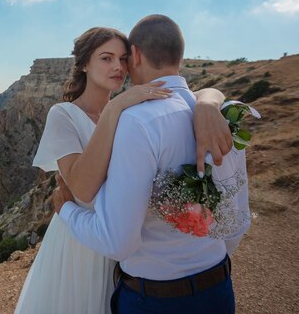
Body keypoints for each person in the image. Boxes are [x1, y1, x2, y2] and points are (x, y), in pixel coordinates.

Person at [14, 26, 232, 314]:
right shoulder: (63, 115)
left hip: (126, 245)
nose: (117, 66)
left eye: (123, 58)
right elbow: (82, 188)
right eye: (106, 58)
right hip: (83, 241)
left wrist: (207, 102)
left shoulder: (133, 111)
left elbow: (188, 91)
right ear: (83, 65)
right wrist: (114, 109)